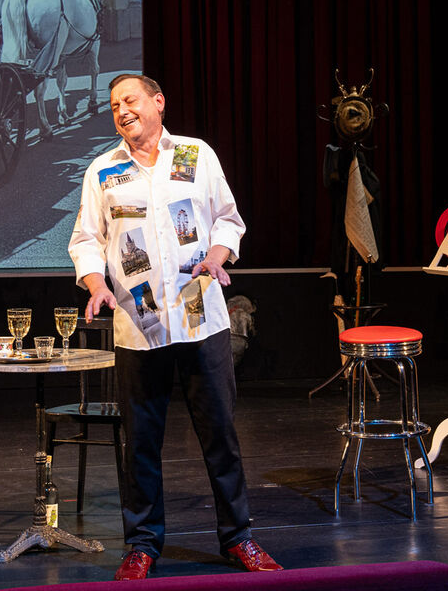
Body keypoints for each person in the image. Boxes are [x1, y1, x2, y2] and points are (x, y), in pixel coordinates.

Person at [68, 73, 282, 581]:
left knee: (220, 437)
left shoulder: (195, 155)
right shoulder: (102, 171)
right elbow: (85, 240)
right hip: (139, 331)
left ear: (157, 102)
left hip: (200, 321)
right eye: (114, 104)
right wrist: (95, 283)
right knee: (140, 443)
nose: (122, 110)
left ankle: (238, 537)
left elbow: (229, 219)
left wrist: (215, 254)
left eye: (131, 100)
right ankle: (142, 544)